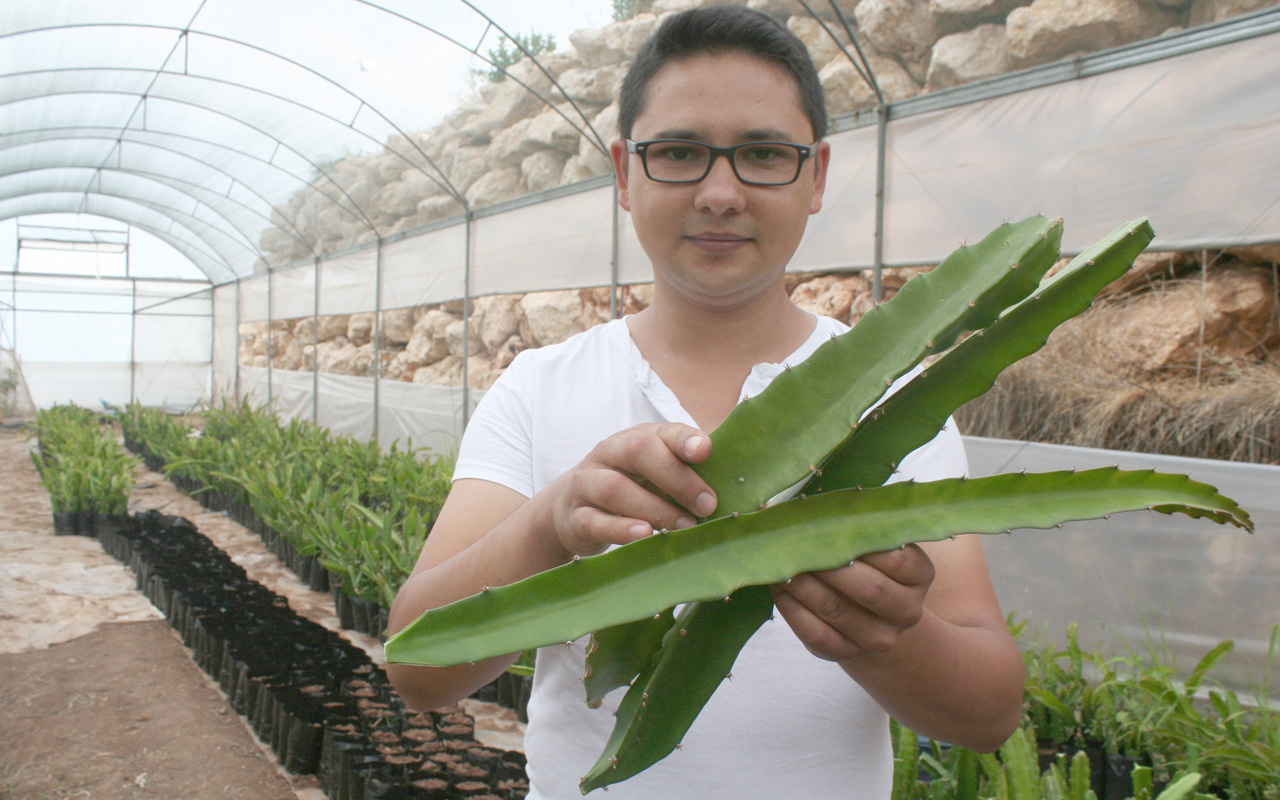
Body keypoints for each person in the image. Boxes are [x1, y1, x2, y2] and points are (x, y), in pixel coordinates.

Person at [387, 6, 1024, 798]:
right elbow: (417, 667)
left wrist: (885, 634)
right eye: (680, 153)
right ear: (624, 173)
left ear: (817, 174)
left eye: (763, 154)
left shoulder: (895, 401)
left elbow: (990, 710)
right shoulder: (538, 388)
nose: (721, 194)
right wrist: (553, 524)